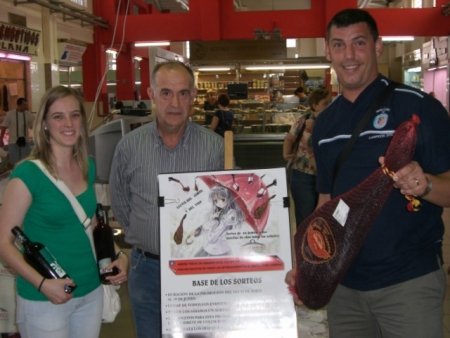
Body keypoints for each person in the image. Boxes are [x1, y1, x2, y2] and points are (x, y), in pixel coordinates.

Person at [286, 8, 450, 338]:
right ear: (327, 49)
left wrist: (425, 183)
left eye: (359, 43)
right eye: (339, 44)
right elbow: (326, 204)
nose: (349, 55)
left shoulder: (418, 107)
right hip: (344, 287)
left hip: (409, 284)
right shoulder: (326, 123)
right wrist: (309, 268)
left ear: (377, 46)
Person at [0, 86, 128, 338]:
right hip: (45, 298)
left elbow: (90, 223)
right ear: (45, 124)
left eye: (75, 115)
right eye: (58, 116)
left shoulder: (86, 166)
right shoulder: (28, 174)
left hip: (90, 291)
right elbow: (4, 242)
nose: (68, 123)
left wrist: (119, 254)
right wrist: (43, 284)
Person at [109, 61, 224, 338]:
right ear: (150, 93)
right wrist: (145, 232)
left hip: (198, 269)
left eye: (183, 93)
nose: (175, 102)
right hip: (146, 270)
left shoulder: (215, 147)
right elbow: (120, 202)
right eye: (166, 93)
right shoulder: (129, 147)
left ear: (194, 96)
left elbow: (227, 202)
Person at [283, 88, 330, 226]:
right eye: (325, 103)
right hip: (302, 174)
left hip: (325, 175)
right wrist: (286, 154)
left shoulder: (333, 121)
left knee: (323, 217)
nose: (329, 106)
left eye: (330, 103)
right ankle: (304, 245)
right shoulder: (303, 120)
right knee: (305, 217)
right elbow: (289, 139)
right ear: (315, 105)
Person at [193, 185, 244, 257]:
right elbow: (209, 228)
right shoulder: (219, 212)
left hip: (220, 249)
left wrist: (215, 222)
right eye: (216, 201)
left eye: (222, 199)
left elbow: (213, 237)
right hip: (210, 247)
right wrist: (202, 227)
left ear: (229, 199)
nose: (219, 203)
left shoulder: (231, 214)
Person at [0, 97, 34, 166]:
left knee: (25, 161)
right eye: (24, 104)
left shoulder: (28, 114)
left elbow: (33, 126)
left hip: (25, 141)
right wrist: (1, 139)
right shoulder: (10, 114)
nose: (26, 106)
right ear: (19, 105)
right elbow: (4, 126)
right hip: (13, 141)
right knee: (14, 161)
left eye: (26, 104)